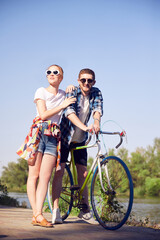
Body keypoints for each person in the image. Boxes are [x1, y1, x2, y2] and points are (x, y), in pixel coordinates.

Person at [17, 64, 76, 227]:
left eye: (55, 72)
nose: (51, 74)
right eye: (48, 72)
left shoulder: (64, 94)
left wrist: (72, 87)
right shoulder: (40, 91)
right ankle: (37, 214)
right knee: (34, 175)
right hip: (39, 133)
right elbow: (43, 114)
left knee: (46, 177)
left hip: (53, 136)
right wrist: (62, 106)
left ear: (61, 77)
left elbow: (77, 92)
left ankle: (37, 215)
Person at [52, 68, 103, 224]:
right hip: (66, 136)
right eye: (83, 80)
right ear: (78, 81)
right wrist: (84, 126)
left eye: (90, 80)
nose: (86, 83)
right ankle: (56, 211)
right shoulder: (72, 91)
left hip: (80, 138)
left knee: (83, 173)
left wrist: (96, 122)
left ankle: (85, 211)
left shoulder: (96, 92)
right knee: (60, 170)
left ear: (94, 82)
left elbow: (97, 109)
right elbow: (69, 112)